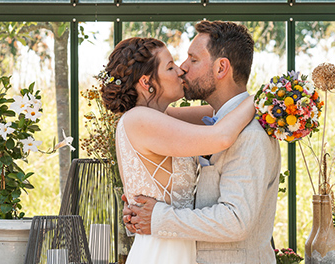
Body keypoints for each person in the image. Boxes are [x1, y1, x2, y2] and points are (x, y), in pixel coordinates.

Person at [123, 20, 282, 264]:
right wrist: (140, 199)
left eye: (193, 60)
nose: (182, 68)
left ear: (221, 68)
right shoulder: (215, 122)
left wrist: (157, 217)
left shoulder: (250, 134)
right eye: (174, 65)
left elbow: (236, 221)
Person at [100, 36, 255, 264]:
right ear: (147, 82)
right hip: (162, 252)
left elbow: (220, 114)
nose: (181, 71)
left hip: (178, 245)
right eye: (170, 67)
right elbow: (221, 135)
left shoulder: (160, 118)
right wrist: (262, 99)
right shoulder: (139, 119)